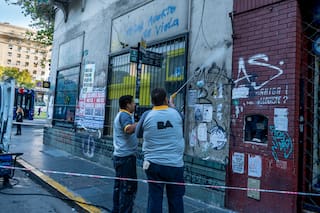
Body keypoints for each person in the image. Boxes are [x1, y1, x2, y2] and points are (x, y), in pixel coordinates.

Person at [136, 88, 185, 213]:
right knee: (176, 199)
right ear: (165, 100)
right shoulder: (176, 113)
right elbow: (181, 120)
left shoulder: (147, 115)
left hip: (153, 164)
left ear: (152, 101)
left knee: (154, 198)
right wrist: (172, 106)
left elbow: (138, 134)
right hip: (175, 165)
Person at [112, 95, 138, 213]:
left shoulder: (123, 115)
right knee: (128, 188)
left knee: (119, 187)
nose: (135, 105)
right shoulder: (124, 115)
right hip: (125, 158)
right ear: (127, 104)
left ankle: (116, 210)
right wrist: (141, 123)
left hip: (121, 157)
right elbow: (128, 129)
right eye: (133, 103)